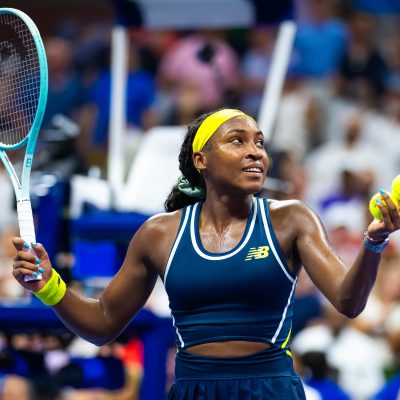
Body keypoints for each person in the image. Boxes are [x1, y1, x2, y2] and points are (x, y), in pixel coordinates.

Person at [11, 108, 400, 399]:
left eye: (260, 142)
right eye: (238, 141)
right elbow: (103, 323)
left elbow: (349, 302)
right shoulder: (157, 234)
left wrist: (373, 242)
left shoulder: (292, 219)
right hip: (192, 389)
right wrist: (49, 285)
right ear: (201, 161)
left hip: (271, 389)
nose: (256, 153)